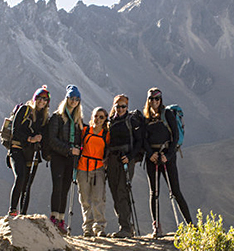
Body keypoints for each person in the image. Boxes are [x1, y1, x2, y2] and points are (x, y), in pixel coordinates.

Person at [143, 87, 193, 237]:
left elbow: (175, 136)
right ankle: (156, 227)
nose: (154, 102)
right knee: (154, 192)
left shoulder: (168, 114)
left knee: (175, 190)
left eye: (156, 99)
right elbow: (143, 139)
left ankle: (190, 225)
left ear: (161, 99)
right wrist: (150, 154)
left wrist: (168, 155)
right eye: (151, 99)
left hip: (167, 156)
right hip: (152, 157)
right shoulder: (146, 117)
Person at [7, 85, 50, 216]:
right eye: (39, 98)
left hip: (32, 154)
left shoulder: (44, 117)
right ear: (35, 98)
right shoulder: (25, 110)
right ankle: (13, 209)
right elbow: (15, 130)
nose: (42, 101)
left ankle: (23, 213)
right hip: (17, 149)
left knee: (27, 184)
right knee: (20, 177)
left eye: (45, 99)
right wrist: (30, 139)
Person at [106, 94, 144, 238]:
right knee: (115, 191)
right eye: (118, 106)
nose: (120, 109)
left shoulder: (131, 120)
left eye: (123, 106)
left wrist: (130, 157)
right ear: (114, 106)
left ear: (127, 107)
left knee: (122, 190)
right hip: (113, 160)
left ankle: (126, 227)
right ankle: (125, 225)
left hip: (126, 160)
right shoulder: (111, 122)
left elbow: (139, 141)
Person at [47, 85, 83, 234]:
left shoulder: (77, 120)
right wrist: (69, 149)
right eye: (72, 98)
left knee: (66, 188)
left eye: (76, 99)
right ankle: (54, 217)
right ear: (67, 99)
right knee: (58, 187)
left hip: (70, 159)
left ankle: (61, 219)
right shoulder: (57, 117)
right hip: (58, 157)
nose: (74, 101)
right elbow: (52, 139)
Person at [77, 107, 109, 237]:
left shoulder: (106, 135)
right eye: (96, 116)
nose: (98, 119)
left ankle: (99, 227)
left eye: (101, 117)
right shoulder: (85, 131)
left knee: (98, 198)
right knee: (85, 199)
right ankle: (88, 228)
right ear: (92, 117)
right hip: (83, 167)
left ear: (105, 119)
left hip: (98, 168)